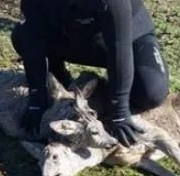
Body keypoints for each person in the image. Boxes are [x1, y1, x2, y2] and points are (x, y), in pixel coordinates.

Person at [11, 0, 169, 147]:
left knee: (151, 93)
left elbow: (119, 47)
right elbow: (32, 38)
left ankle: (109, 90)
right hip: (78, 38)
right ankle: (61, 79)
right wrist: (37, 99)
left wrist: (119, 110)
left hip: (129, 38)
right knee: (22, 36)